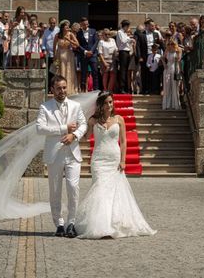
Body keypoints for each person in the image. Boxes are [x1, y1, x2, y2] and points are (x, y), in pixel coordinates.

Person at [76, 92, 156, 239]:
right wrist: (80, 128)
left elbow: (124, 141)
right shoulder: (93, 120)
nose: (109, 105)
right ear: (100, 104)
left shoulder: (119, 119)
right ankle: (100, 225)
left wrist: (123, 160)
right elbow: (87, 137)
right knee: (100, 188)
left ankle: (113, 223)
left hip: (114, 159)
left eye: (111, 102)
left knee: (114, 192)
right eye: (106, 103)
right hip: (99, 160)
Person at [36, 75, 87, 238]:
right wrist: (64, 128)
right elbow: (40, 128)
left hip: (72, 153)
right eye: (58, 88)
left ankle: (71, 223)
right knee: (55, 190)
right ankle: (59, 224)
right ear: (52, 89)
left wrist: (74, 135)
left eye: (64, 87)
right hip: (54, 154)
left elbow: (84, 124)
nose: (62, 91)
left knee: (73, 187)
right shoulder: (45, 107)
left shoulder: (76, 106)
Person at [53, 20, 79, 96]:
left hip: (68, 55)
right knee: (59, 71)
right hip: (59, 55)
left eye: (68, 26)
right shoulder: (57, 35)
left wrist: (69, 40)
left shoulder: (70, 34)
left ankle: (69, 89)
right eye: (66, 26)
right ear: (62, 27)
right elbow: (54, 46)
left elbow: (77, 44)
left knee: (68, 71)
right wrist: (54, 56)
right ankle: (58, 89)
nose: (68, 27)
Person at [76, 17, 99, 92]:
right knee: (83, 73)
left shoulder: (93, 31)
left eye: (87, 24)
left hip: (93, 55)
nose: (86, 26)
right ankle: (83, 90)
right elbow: (78, 45)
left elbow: (96, 42)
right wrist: (85, 52)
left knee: (95, 72)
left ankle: (96, 89)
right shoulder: (78, 33)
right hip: (84, 55)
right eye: (84, 24)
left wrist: (91, 51)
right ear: (81, 24)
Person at [162, 39, 182, 110]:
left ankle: (175, 105)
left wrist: (177, 52)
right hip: (167, 69)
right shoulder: (167, 50)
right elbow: (162, 58)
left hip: (175, 68)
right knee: (167, 87)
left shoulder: (178, 50)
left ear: (174, 44)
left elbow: (179, 59)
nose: (170, 45)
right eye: (169, 44)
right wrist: (164, 64)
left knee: (174, 87)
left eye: (172, 44)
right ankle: (167, 105)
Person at [116, 20, 133, 93]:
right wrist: (130, 39)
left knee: (126, 70)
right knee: (123, 70)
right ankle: (121, 88)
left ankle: (125, 87)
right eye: (128, 26)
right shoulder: (120, 32)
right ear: (125, 26)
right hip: (123, 52)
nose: (128, 28)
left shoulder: (125, 33)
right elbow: (123, 41)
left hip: (127, 52)